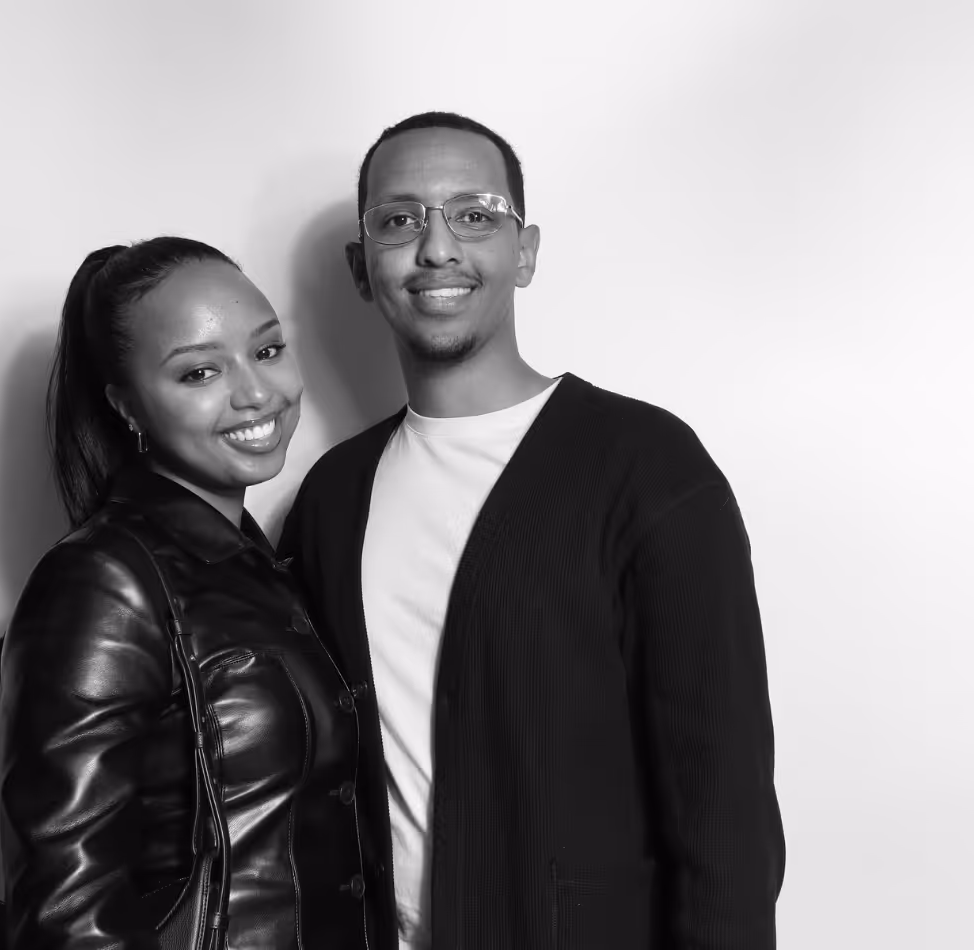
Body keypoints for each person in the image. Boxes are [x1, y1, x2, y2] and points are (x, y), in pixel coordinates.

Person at [279, 113, 786, 950]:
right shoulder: (334, 498)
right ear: (361, 268)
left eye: (474, 214)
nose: (437, 247)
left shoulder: (646, 468)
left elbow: (723, 813)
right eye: (400, 220)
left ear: (525, 251)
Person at [0, 237, 371, 949]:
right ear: (126, 405)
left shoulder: (260, 564)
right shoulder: (104, 579)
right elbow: (65, 920)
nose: (257, 393)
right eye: (200, 372)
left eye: (266, 351)